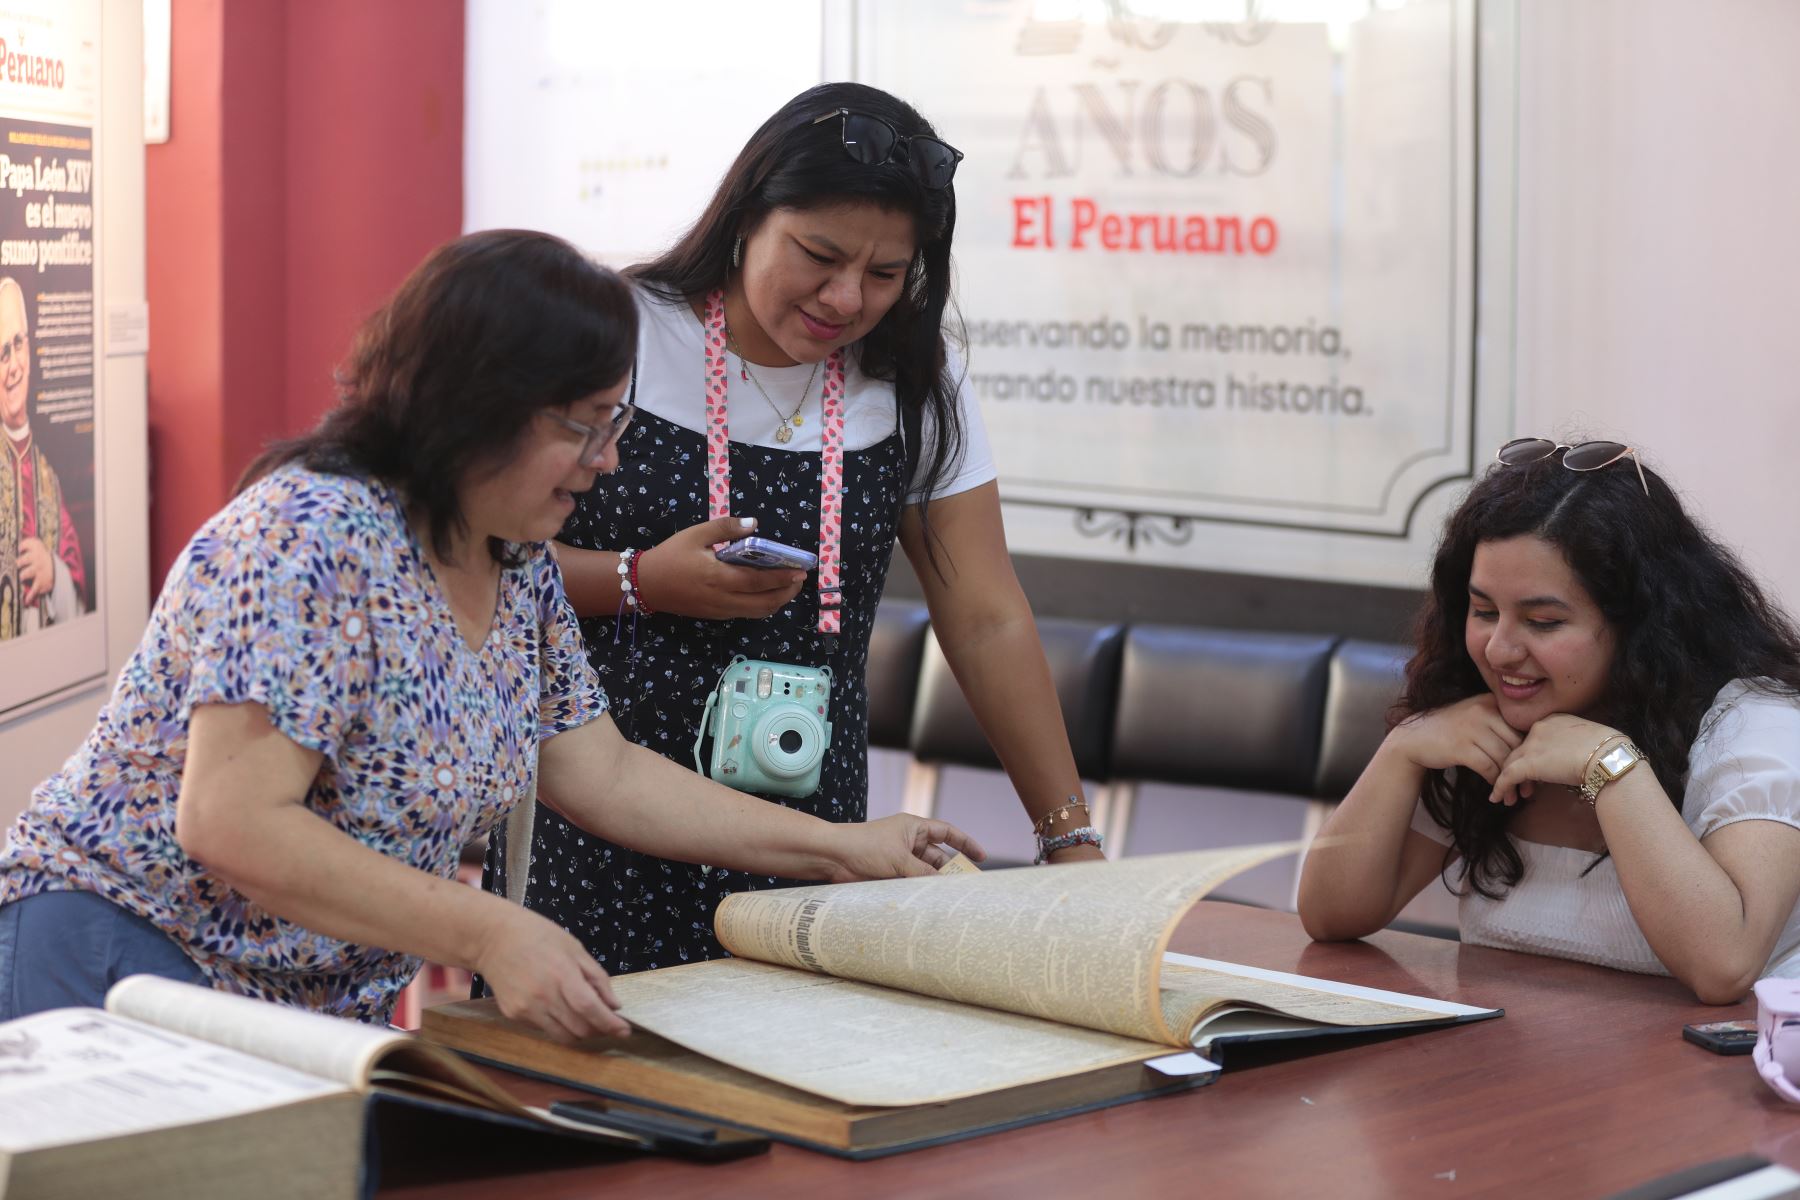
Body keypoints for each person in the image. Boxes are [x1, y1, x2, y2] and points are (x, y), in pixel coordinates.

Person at [0, 230, 980, 1039]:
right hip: (122, 965)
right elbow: (230, 821)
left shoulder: (512, 560)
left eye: (615, 424)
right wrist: (489, 932)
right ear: (475, 407)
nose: (605, 462)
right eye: (582, 427)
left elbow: (606, 774)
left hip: (304, 1016)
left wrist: (845, 849)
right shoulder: (308, 539)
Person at [486, 82, 1100, 977]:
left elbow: (986, 616)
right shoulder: (619, 334)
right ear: (747, 215)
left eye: (885, 274)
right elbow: (493, 561)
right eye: (819, 255)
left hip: (817, 826)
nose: (846, 297)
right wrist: (639, 581)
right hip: (599, 808)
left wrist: (1067, 835)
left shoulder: (915, 383)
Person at [1296, 438, 1800, 1003]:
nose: (1500, 650)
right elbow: (1330, 916)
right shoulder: (1486, 723)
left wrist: (1611, 768)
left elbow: (1724, 966)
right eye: (1484, 611)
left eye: (1542, 622)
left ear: (1640, 625)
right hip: (1514, 1054)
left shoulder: (1755, 727)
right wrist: (1403, 749)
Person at [0, 275, 87, 638]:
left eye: (18, 344)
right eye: (2, 354)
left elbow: (79, 601)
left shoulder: (48, 477)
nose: (14, 366)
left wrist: (54, 572)